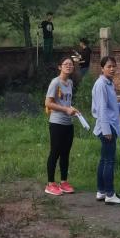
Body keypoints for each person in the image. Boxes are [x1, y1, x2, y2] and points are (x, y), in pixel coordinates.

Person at [91, 56, 120, 205]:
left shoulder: (109, 83)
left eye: (114, 66)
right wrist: (106, 129)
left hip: (108, 125)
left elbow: (111, 106)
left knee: (104, 160)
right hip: (107, 127)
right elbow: (101, 108)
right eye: (109, 66)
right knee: (109, 161)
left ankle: (101, 191)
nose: (112, 69)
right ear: (102, 68)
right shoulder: (101, 84)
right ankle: (110, 194)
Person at [44, 57, 80, 196]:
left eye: (71, 64)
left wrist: (72, 109)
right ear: (60, 67)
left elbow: (66, 102)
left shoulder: (70, 82)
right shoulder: (55, 82)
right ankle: (50, 184)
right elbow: (48, 103)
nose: (69, 66)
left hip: (68, 123)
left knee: (66, 153)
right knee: (55, 152)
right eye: (66, 64)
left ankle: (63, 182)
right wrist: (65, 110)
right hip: (56, 123)